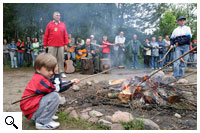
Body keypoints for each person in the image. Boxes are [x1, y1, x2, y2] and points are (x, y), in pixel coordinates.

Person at [20, 53, 80, 130]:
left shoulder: (42, 77)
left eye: (52, 70)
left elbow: (57, 84)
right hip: (32, 112)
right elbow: (57, 88)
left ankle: (47, 115)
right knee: (54, 95)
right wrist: (57, 74)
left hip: (33, 108)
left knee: (53, 94)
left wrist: (70, 82)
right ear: (38, 69)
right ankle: (42, 122)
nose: (52, 72)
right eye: (48, 70)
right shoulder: (40, 80)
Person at [43, 11, 68, 78]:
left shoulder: (63, 24)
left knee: (61, 59)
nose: (58, 16)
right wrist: (45, 44)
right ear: (53, 16)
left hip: (61, 45)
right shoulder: (49, 24)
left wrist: (66, 44)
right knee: (51, 60)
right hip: (51, 45)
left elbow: (65, 35)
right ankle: (51, 72)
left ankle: (61, 72)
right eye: (56, 15)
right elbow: (46, 35)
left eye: (59, 15)